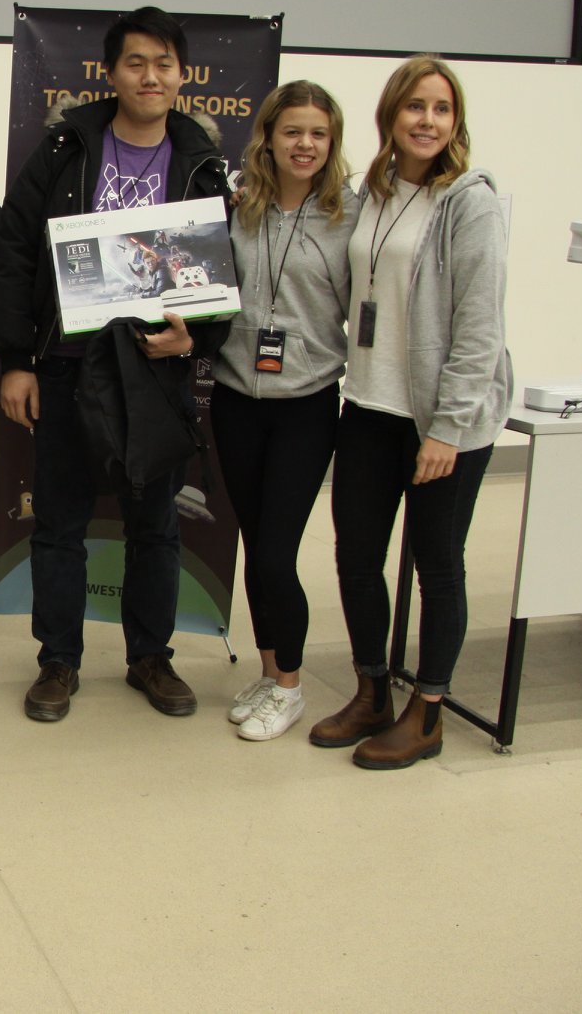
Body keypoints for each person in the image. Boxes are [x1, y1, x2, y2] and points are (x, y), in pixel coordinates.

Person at [0, 7, 231, 723]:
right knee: (58, 522)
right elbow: (15, 255)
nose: (149, 76)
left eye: (163, 63)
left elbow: (221, 273)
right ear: (111, 73)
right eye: (135, 63)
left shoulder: (200, 162)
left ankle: (150, 659)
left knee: (154, 524)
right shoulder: (65, 150)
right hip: (66, 364)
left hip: (152, 372)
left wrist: (195, 340)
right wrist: (16, 360)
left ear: (182, 75)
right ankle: (58, 661)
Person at [311, 55, 511, 768]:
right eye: (414, 107)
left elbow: (479, 327)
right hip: (369, 404)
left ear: (456, 123)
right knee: (357, 557)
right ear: (390, 117)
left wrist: (449, 430)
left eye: (442, 109)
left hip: (439, 422)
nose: (428, 121)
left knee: (437, 566)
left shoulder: (470, 202)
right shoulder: (377, 190)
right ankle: (372, 691)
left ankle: (428, 710)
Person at [211, 81, 357, 741]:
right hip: (239, 398)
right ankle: (271, 674)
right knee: (252, 545)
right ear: (268, 135)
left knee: (276, 554)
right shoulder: (240, 207)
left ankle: (293, 688)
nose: (305, 145)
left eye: (318, 134)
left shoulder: (350, 218)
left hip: (306, 403)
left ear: (332, 143)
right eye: (292, 131)